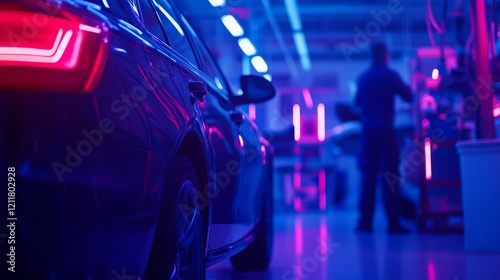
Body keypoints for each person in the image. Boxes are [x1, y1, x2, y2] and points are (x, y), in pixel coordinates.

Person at [354, 42, 413, 233]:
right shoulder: (391, 75)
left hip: (368, 130)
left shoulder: (363, 77)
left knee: (368, 175)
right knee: (390, 175)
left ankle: (365, 222)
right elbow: (408, 96)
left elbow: (357, 103)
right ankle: (393, 222)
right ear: (385, 55)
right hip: (386, 129)